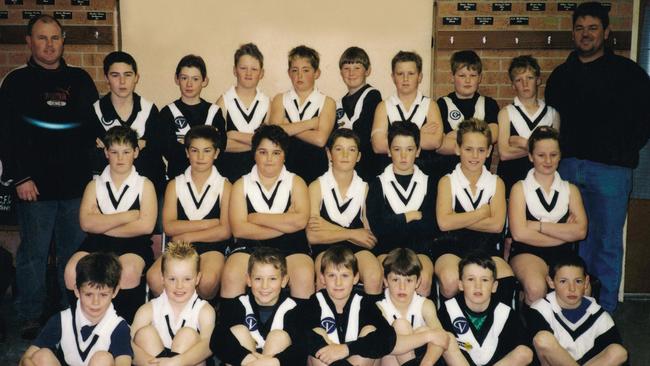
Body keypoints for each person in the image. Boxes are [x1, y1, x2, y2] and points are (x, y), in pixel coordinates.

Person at [544, 1, 650, 312]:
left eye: (592, 28)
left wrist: (622, 151)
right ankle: (574, 311)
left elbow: (645, 120)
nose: (586, 34)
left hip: (611, 172)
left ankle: (603, 314)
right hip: (568, 169)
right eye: (579, 29)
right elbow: (553, 121)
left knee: (605, 245)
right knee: (573, 244)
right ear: (573, 34)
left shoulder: (629, 74)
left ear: (606, 31)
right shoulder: (562, 75)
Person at [0, 14, 99, 338]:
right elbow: (6, 135)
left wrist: (95, 179)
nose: (49, 44)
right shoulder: (15, 83)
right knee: (33, 255)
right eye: (42, 38)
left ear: (63, 40)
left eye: (55, 38)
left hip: (75, 188)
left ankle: (72, 312)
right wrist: (20, 177)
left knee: (74, 256)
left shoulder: (81, 80)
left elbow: (91, 132)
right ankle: (30, 314)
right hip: (34, 189)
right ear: (29, 42)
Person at [64, 126, 157, 323]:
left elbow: (146, 227)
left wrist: (103, 223)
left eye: (126, 152)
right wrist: (128, 216)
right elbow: (86, 224)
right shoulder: (94, 185)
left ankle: (124, 328)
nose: (120, 158)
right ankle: (81, 327)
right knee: (72, 270)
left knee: (128, 272)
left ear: (136, 152)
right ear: (106, 153)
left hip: (134, 244)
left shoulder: (145, 185)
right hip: (96, 243)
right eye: (114, 152)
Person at [221, 124, 313, 300]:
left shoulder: (296, 182)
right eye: (263, 152)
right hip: (249, 245)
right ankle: (232, 326)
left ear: (284, 156)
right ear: (254, 154)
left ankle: (299, 327)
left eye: (276, 152)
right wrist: (286, 223)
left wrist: (256, 218)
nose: (269, 158)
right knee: (232, 274)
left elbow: (300, 222)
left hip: (292, 245)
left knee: (303, 275)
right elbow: (240, 230)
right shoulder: (241, 184)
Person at [434, 119, 515, 303]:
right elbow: (444, 223)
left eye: (480, 150)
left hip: (486, 248)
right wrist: (480, 214)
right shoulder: (447, 181)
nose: (474, 156)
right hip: (450, 247)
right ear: (457, 149)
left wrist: (457, 218)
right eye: (468, 149)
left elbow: (496, 226)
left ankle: (493, 329)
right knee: (450, 281)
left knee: (505, 280)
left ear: (489, 151)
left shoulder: (496, 183)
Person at [147, 125, 232, 300]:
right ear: (187, 152)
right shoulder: (174, 185)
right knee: (154, 278)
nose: (200, 157)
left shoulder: (225, 185)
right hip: (178, 248)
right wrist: (210, 223)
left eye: (207, 151)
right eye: (194, 150)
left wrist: (187, 237)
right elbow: (169, 227)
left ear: (216, 153)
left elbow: (224, 231)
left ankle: (205, 317)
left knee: (207, 281)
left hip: (212, 248)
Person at [509, 127, 587, 305]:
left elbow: (581, 231)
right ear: (530, 156)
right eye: (541, 155)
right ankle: (534, 332)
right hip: (526, 252)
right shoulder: (519, 188)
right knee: (536, 287)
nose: (548, 160)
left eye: (553, 154)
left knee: (581, 289)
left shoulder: (571, 190)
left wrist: (538, 226)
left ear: (560, 156)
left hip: (563, 254)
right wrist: (564, 234)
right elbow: (520, 234)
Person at [89, 51, 174, 202]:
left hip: (149, 189)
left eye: (128, 75)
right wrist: (141, 144)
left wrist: (110, 147)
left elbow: (159, 148)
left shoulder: (149, 110)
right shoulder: (94, 111)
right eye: (115, 75)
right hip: (109, 190)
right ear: (106, 78)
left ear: (136, 77)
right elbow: (93, 155)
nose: (122, 82)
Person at [20, 253, 132, 366]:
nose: (95, 302)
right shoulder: (62, 320)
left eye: (103, 295)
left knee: (102, 359)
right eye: (88, 294)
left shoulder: (118, 326)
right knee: (41, 356)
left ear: (115, 292)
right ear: (77, 291)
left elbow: (124, 362)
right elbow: (26, 358)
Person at [366, 121, 437, 297]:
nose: (403, 156)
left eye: (410, 149)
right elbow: (379, 228)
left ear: (418, 151)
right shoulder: (378, 183)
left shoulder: (430, 183)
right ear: (389, 151)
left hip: (420, 249)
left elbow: (431, 226)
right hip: (386, 250)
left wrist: (394, 222)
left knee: (424, 279)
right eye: (397, 149)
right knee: (385, 278)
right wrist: (409, 216)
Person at [307, 128, 382, 295]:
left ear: (359, 156)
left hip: (357, 249)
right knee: (323, 276)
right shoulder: (316, 186)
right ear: (328, 153)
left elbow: (369, 238)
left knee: (374, 274)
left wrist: (327, 227)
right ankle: (325, 320)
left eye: (352, 150)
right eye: (339, 149)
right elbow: (313, 236)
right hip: (325, 248)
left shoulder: (366, 188)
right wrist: (352, 234)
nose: (345, 155)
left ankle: (370, 320)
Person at [212, 247, 306, 365]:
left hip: (275, 361)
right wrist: (247, 358)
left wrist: (274, 361)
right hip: (244, 361)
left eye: (272, 279)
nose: (264, 286)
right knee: (238, 331)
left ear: (284, 281)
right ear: (248, 280)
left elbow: (302, 348)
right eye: (258, 279)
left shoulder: (293, 309)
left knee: (279, 337)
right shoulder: (239, 304)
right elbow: (217, 339)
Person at [527, 255, 628, 365]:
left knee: (619, 352)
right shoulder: (540, 309)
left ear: (586, 282)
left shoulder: (599, 315)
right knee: (543, 339)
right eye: (563, 281)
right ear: (551, 282)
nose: (572, 288)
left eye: (578, 281)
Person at [438, 254, 533, 366]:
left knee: (524, 352)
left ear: (494, 286)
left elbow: (524, 353)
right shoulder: (448, 310)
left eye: (484, 280)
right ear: (460, 285)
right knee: (445, 341)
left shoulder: (504, 313)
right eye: (470, 279)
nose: (478, 286)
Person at [376, 248, 465, 366]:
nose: (402, 287)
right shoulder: (380, 308)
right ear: (386, 281)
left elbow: (441, 337)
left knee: (449, 338)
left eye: (408, 280)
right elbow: (385, 346)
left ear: (417, 282)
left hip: (421, 360)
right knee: (400, 326)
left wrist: (427, 362)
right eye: (395, 280)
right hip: (391, 360)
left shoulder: (425, 304)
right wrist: (426, 336)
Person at [131, 241, 215, 366]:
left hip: (185, 361)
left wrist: (176, 362)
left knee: (187, 335)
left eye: (187, 279)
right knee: (144, 334)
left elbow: (209, 345)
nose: (179, 286)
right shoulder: (148, 309)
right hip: (156, 361)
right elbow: (126, 344)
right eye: (172, 279)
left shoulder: (204, 310)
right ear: (162, 278)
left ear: (197, 279)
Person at [269, 45, 336, 184]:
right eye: (295, 70)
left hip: (316, 170)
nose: (299, 75)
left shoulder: (327, 102)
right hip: (284, 171)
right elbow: (274, 135)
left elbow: (320, 139)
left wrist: (287, 128)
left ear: (317, 73)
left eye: (306, 70)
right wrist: (310, 124)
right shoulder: (280, 99)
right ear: (289, 73)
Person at [371, 51, 443, 175]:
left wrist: (392, 138)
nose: (405, 79)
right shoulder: (383, 106)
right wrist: (420, 134)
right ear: (393, 77)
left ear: (419, 76)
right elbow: (378, 145)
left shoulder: (430, 105)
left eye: (411, 73)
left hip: (425, 174)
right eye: (400, 74)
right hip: (390, 176)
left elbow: (436, 141)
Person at [497, 55, 560, 196]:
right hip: (511, 179)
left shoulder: (552, 114)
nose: (525, 84)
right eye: (519, 80)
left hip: (544, 182)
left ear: (538, 80)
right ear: (513, 85)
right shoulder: (506, 112)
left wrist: (522, 142)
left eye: (529, 78)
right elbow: (504, 154)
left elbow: (555, 153)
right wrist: (541, 151)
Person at [434, 50, 500, 181]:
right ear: (452, 77)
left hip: (481, 177)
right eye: (462, 75)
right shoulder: (441, 105)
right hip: (449, 177)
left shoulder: (489, 104)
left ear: (480, 78)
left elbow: (493, 136)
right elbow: (439, 146)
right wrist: (478, 138)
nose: (468, 80)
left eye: (473, 75)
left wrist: (454, 136)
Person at [161, 54, 226, 179]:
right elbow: (168, 151)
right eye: (184, 78)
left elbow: (220, 148)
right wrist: (204, 147)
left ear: (204, 81)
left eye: (195, 79)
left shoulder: (214, 112)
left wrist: (184, 143)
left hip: (210, 180)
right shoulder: (167, 112)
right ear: (176, 79)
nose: (189, 84)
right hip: (177, 179)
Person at [216, 43, 270, 182]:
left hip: (258, 176)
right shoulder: (223, 102)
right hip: (226, 174)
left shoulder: (267, 103)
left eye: (254, 69)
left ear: (261, 73)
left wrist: (233, 135)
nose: (248, 73)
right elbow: (218, 145)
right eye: (243, 68)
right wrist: (257, 143)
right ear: (235, 70)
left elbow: (269, 144)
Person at [335, 46, 383, 181]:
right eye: (346, 69)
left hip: (367, 166)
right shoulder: (338, 104)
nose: (351, 73)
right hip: (344, 166)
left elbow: (364, 131)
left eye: (357, 68)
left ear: (367, 71)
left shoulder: (373, 96)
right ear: (341, 72)